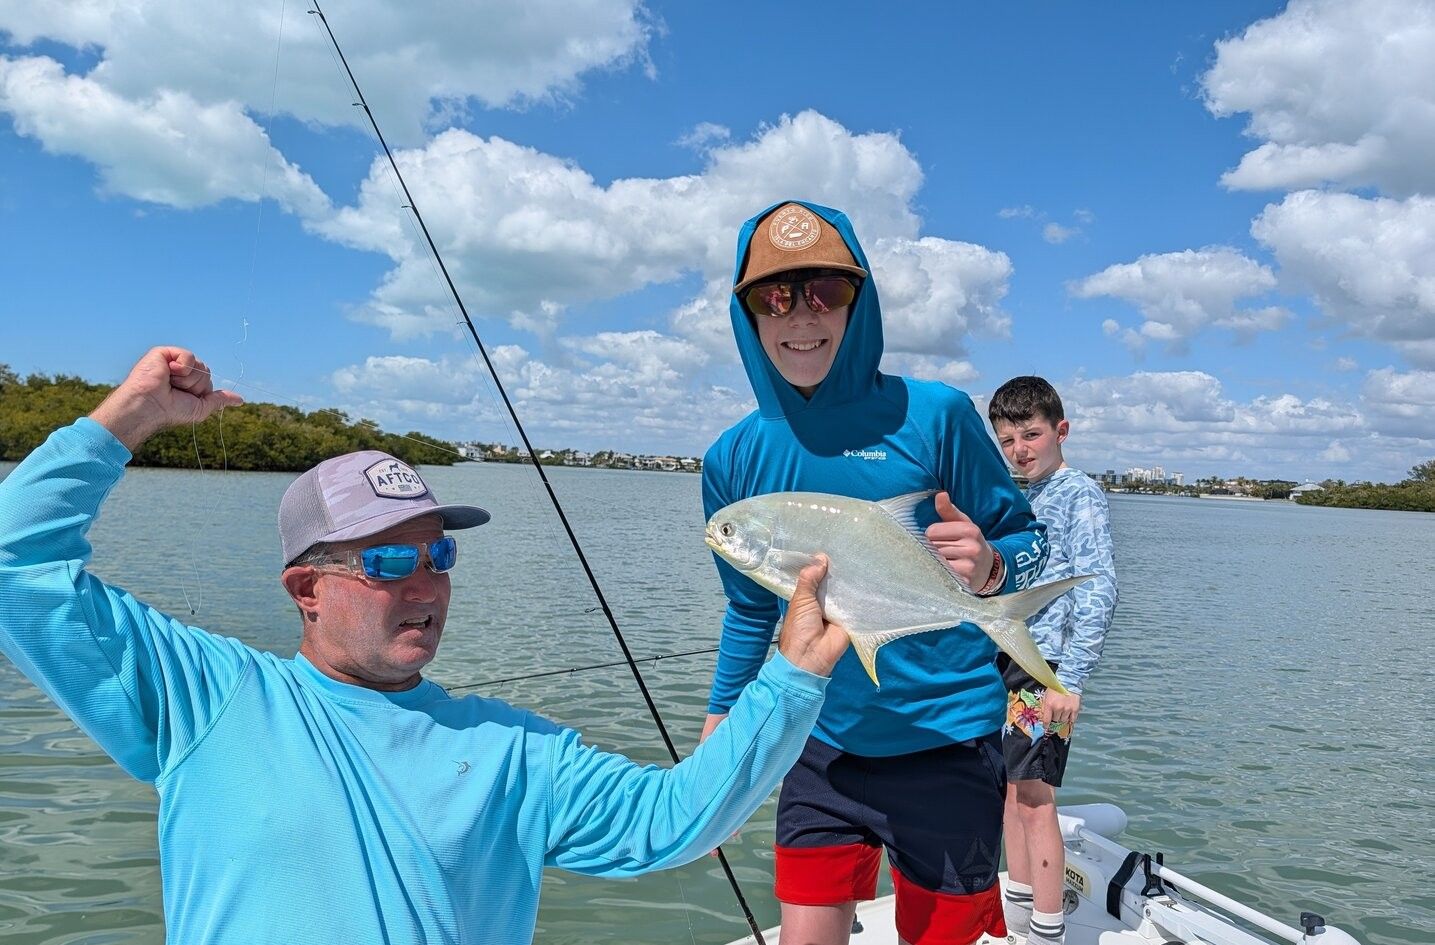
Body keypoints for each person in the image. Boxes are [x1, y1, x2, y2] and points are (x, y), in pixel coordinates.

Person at [0, 345, 852, 945]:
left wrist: (789, 678)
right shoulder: (204, 695)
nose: (425, 585)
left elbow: (673, 819)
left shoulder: (515, 750)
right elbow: (16, 563)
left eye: (438, 555)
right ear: (305, 589)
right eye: (386, 561)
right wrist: (130, 417)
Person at [699, 201, 1050, 945]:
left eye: (825, 289)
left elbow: (1029, 539)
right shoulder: (732, 457)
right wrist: (720, 723)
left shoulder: (937, 415)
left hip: (946, 740)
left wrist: (992, 566)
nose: (801, 314)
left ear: (860, 299)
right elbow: (749, 608)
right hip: (815, 740)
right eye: (774, 295)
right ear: (746, 312)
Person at [986, 376, 1118, 945]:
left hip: (1047, 671)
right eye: (1007, 440)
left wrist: (1072, 679)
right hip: (1007, 659)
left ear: (1060, 430)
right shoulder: (1021, 496)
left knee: (1036, 796)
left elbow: (1099, 585)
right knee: (1010, 790)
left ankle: (1046, 931)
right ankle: (1018, 917)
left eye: (1031, 435)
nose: (1020, 450)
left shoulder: (1078, 492)